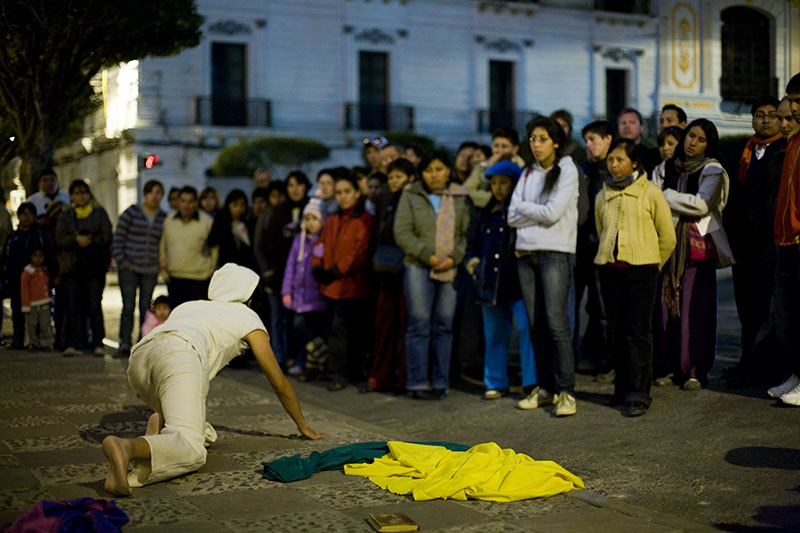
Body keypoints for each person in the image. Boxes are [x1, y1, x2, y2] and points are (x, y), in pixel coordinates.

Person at [101, 263, 327, 497]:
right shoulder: (247, 316)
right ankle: (125, 447)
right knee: (192, 449)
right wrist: (304, 427)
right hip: (179, 356)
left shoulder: (189, 306)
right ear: (249, 298)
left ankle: (161, 425)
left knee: (203, 432)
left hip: (140, 359)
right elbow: (279, 383)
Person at [594, 139, 676, 416]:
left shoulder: (650, 192)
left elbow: (668, 236)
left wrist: (652, 263)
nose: (613, 165)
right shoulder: (603, 193)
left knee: (639, 332)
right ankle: (622, 388)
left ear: (634, 163)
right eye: (610, 160)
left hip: (642, 270)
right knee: (615, 331)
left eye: (619, 160)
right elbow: (600, 227)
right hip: (610, 270)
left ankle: (639, 393)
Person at [653, 118, 734, 391]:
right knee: (667, 308)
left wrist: (666, 197)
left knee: (695, 311)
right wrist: (674, 201)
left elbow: (701, 205)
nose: (692, 143)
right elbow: (653, 201)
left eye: (700, 139)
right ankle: (668, 365)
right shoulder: (665, 166)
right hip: (667, 246)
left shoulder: (712, 168)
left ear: (709, 144)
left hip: (697, 249)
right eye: (690, 136)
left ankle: (695, 371)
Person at [508, 117, 580, 417]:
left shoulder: (567, 169)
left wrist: (526, 209)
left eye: (542, 139)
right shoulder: (526, 173)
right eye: (533, 139)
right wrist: (529, 212)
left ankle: (566, 391)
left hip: (554, 253)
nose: (535, 144)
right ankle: (545, 387)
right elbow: (511, 216)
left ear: (555, 142)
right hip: (525, 254)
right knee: (536, 325)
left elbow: (552, 215)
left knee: (556, 323)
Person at [394, 151, 471, 400]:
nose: (434, 175)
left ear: (448, 171)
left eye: (439, 169)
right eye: (429, 170)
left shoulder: (460, 195)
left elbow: (467, 234)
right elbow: (402, 231)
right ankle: (417, 382)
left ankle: (440, 381)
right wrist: (429, 256)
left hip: (450, 266)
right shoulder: (411, 193)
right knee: (419, 323)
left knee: (444, 324)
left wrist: (452, 258)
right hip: (418, 265)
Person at [724, 97, 784, 386]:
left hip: (769, 243)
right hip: (743, 243)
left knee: (765, 308)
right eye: (760, 115)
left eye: (772, 115)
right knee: (745, 305)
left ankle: (762, 368)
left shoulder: (783, 151)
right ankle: (746, 361)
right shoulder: (741, 151)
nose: (765, 120)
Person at [465, 160, 536, 400]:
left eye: (503, 182)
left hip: (518, 281)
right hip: (490, 283)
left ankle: (531, 381)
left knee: (527, 327)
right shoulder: (487, 213)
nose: (498, 188)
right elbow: (473, 244)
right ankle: (494, 381)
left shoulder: (522, 211)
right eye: (493, 183)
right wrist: (474, 264)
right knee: (494, 332)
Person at [312, 173, 375, 391]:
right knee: (336, 330)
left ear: (357, 193)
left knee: (346, 331)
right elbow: (319, 245)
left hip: (353, 285)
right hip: (332, 285)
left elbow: (361, 252)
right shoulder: (332, 220)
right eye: (339, 193)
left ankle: (342, 373)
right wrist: (317, 265)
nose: (343, 196)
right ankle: (341, 372)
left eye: (347, 191)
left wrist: (337, 270)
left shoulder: (365, 219)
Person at [366, 158, 415, 393]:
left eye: (399, 176)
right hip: (385, 270)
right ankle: (381, 377)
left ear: (410, 178)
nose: (394, 181)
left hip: (407, 269)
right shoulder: (385, 200)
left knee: (407, 327)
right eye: (392, 177)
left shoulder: (414, 200)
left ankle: (403, 378)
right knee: (384, 327)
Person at [767, 73, 800, 405]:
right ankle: (795, 374)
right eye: (792, 100)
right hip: (786, 241)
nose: (793, 111)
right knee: (786, 314)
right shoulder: (790, 142)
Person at [56, 179, 113, 357]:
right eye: (77, 193)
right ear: (71, 196)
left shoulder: (99, 213)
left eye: (84, 192)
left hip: (94, 267)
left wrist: (90, 240)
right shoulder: (66, 215)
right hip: (72, 267)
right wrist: (75, 240)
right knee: (73, 306)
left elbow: (107, 235)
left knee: (94, 306)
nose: (81, 196)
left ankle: (97, 342)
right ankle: (74, 342)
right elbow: (59, 239)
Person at [576, 120, 615, 377]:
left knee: (603, 307)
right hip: (580, 246)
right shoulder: (583, 169)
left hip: (604, 246)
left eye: (593, 139)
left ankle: (610, 362)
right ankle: (582, 356)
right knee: (577, 305)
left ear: (608, 139)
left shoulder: (614, 171)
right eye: (586, 141)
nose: (588, 145)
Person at [263, 171, 312, 367]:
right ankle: (278, 359)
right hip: (279, 274)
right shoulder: (279, 210)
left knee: (299, 321)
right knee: (278, 319)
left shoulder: (311, 208)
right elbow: (269, 243)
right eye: (291, 185)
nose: (295, 189)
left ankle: (300, 358)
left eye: (299, 184)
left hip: (305, 277)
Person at [113, 179, 166, 356]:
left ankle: (143, 341)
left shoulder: (163, 217)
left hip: (150, 269)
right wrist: (122, 262)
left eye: (158, 192)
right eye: (151, 192)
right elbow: (118, 237)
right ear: (145, 194)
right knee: (128, 306)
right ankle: (124, 343)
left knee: (146, 307)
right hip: (129, 267)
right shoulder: (131, 213)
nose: (155, 196)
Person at [281, 198, 329, 377]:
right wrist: (287, 290)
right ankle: (316, 356)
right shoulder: (298, 242)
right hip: (300, 296)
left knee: (311, 330)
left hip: (317, 296)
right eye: (307, 218)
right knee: (299, 328)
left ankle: (311, 365)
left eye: (314, 219)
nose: (310, 223)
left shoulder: (323, 240)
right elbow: (290, 267)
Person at [2, 202, 57, 349]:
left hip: (38, 282)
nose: (26, 218)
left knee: (40, 313)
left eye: (29, 214)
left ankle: (39, 340)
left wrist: (51, 276)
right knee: (18, 309)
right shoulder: (13, 236)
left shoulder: (40, 234)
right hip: (16, 279)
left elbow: (50, 254)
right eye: (23, 214)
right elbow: (6, 258)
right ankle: (19, 339)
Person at [159, 186, 218, 308]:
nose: (186, 205)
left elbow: (214, 250)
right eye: (183, 201)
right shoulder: (169, 220)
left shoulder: (207, 221)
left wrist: (211, 270)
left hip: (200, 278)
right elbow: (163, 245)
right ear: (178, 202)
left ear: (196, 203)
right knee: (177, 320)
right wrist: (164, 271)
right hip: (175, 278)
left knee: (197, 320)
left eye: (190, 201)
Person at [464, 127, 525, 208]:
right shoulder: (482, 166)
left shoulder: (523, 168)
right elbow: (466, 191)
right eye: (496, 146)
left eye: (504, 146)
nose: (499, 151)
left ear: (515, 149)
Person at [208, 189, 257, 272]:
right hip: (225, 268)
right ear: (229, 205)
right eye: (235, 205)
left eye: (242, 205)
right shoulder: (221, 221)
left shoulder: (249, 223)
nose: (239, 209)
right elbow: (211, 241)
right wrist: (230, 229)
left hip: (244, 269)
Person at [20, 246, 53, 351]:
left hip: (45, 302)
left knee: (45, 324)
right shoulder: (27, 272)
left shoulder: (45, 271)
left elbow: (50, 286)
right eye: (35, 256)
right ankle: (32, 342)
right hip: (32, 303)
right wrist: (26, 305)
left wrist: (52, 299)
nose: (38, 259)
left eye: (41, 256)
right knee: (31, 325)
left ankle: (45, 342)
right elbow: (24, 289)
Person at [617, 107, 659, 174]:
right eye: (623, 123)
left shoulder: (651, 156)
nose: (627, 126)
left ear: (641, 127)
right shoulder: (612, 154)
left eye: (632, 122)